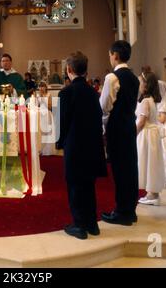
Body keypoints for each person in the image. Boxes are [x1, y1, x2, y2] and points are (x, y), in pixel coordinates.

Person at [57, 51, 107, 240]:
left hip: (75, 145)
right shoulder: (93, 93)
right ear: (85, 70)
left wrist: (60, 143)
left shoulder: (66, 92)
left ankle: (78, 225)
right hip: (92, 145)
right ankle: (92, 223)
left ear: (69, 70)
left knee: (75, 185)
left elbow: (61, 122)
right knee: (88, 184)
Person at [100, 40, 140, 226]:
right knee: (130, 167)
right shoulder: (134, 78)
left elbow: (104, 106)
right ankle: (130, 210)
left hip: (116, 127)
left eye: (110, 55)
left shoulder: (112, 78)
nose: (110, 58)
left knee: (119, 169)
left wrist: (103, 125)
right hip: (129, 125)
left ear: (115, 55)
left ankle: (122, 212)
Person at [136, 72, 166, 205]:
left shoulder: (145, 101)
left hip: (146, 134)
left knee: (147, 162)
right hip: (152, 134)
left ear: (146, 86)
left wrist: (133, 133)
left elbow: (142, 121)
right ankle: (153, 193)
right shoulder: (152, 100)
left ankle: (152, 195)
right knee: (152, 162)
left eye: (140, 82)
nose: (139, 85)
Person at [38, 81, 56, 156]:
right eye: (40, 87)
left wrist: (43, 100)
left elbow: (50, 107)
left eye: (43, 86)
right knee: (41, 132)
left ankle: (47, 150)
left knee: (47, 132)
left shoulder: (49, 95)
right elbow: (37, 106)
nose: (41, 88)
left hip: (47, 115)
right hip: (40, 115)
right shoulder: (38, 96)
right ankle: (40, 149)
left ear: (46, 87)